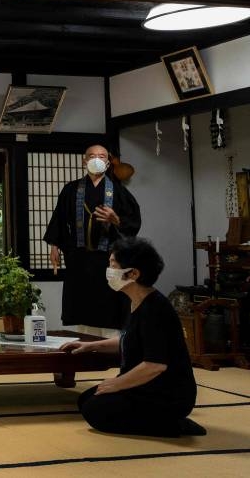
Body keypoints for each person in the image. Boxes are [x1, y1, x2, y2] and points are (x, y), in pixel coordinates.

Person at [62, 237, 205, 437]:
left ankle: (172, 424)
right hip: (144, 385)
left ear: (134, 273)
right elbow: (129, 340)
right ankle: (165, 421)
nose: (109, 271)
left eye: (113, 265)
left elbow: (155, 365)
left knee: (94, 410)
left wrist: (115, 384)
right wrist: (91, 346)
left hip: (166, 393)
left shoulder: (155, 309)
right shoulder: (136, 301)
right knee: (85, 400)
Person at [45, 144, 141, 335]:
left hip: (108, 259)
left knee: (110, 305)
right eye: (92, 156)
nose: (97, 159)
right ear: (84, 161)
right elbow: (59, 219)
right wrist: (55, 246)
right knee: (83, 305)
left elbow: (133, 223)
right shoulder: (71, 190)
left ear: (107, 162)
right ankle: (85, 343)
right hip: (80, 259)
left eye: (102, 156)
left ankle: (112, 346)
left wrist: (116, 219)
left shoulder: (119, 191)